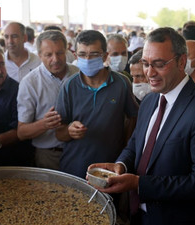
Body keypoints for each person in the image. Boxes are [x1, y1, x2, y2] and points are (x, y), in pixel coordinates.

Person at [88, 27, 195, 225]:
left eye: (159, 64)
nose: (149, 73)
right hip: (139, 215)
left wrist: (139, 184)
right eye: (146, 64)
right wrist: (120, 166)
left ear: (182, 62)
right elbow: (137, 143)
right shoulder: (149, 100)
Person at [55, 30, 139, 179]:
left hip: (110, 169)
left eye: (94, 54)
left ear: (105, 56)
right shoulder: (68, 86)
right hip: (74, 167)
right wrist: (69, 131)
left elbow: (133, 116)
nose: (87, 59)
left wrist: (126, 148)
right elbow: (59, 133)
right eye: (82, 54)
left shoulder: (121, 83)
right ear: (75, 56)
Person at [17, 30, 79, 170]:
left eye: (59, 53)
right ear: (39, 55)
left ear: (67, 51)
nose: (55, 59)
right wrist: (44, 124)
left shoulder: (79, 74)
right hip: (49, 156)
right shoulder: (30, 83)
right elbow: (21, 133)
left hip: (80, 151)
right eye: (48, 55)